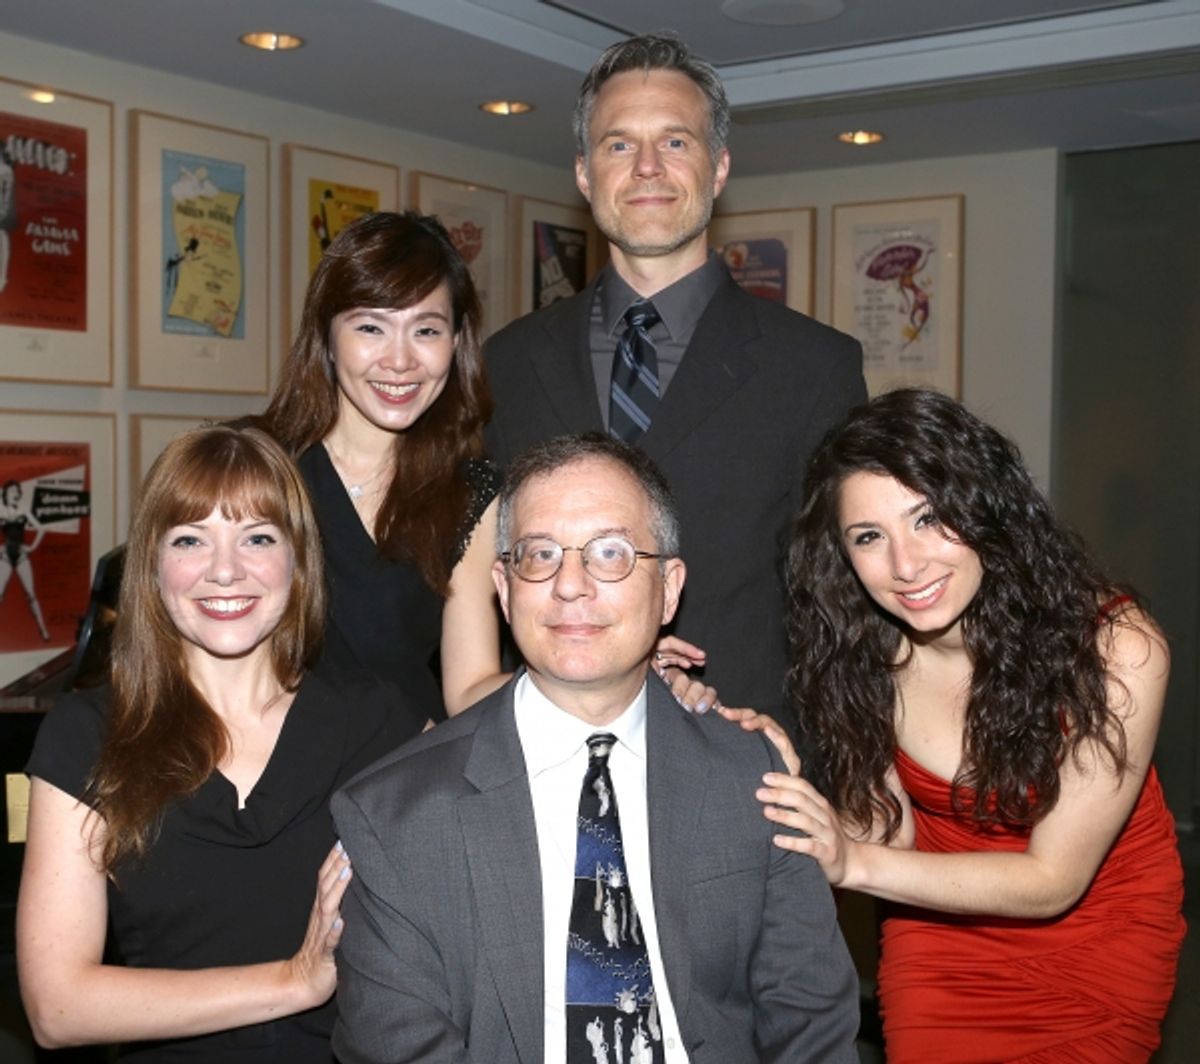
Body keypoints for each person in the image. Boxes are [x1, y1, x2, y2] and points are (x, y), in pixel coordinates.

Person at [329, 433, 859, 1064]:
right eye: (540, 554)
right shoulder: (395, 816)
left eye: (610, 553)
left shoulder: (749, 775)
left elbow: (811, 1026)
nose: (571, 585)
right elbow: (397, 1047)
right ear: (504, 588)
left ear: (669, 588)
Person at [754, 389, 1185, 1062]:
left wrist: (854, 861)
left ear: (987, 510)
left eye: (929, 518)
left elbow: (1053, 882)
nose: (906, 565)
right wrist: (781, 782)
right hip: (937, 931)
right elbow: (885, 834)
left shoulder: (1116, 648)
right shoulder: (865, 651)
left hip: (1095, 940)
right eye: (869, 537)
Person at [483, 33, 866, 716]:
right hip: (544, 750)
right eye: (619, 145)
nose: (647, 167)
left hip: (746, 750)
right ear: (584, 173)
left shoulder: (813, 367)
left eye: (676, 141)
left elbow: (843, 604)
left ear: (718, 168)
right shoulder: (508, 361)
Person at [17, 425, 427, 1062]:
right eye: (190, 540)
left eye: (257, 538)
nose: (226, 570)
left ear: (298, 558)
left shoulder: (383, 720)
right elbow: (56, 1008)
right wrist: (294, 980)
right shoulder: (88, 734)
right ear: (153, 566)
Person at [259, 210, 711, 720]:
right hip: (268, 761)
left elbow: (469, 689)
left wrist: (620, 673)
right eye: (370, 328)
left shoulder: (471, 493)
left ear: (456, 342)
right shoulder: (253, 465)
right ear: (326, 334)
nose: (400, 360)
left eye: (426, 330)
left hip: (404, 760)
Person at [1, 479, 51, 641]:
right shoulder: (1, 511)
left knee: (31, 594)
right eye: (12, 491)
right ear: (6, 494)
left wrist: (32, 547)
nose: (15, 494)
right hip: (5, 556)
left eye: (17, 491)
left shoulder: (23, 511)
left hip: (22, 556)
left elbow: (41, 528)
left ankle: (43, 630)